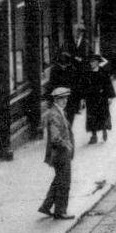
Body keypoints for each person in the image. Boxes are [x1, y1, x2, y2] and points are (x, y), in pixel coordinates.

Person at [38, 87, 76, 220]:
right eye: (62, 99)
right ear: (56, 100)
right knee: (64, 182)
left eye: (66, 98)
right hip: (60, 154)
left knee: (58, 180)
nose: (65, 101)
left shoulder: (59, 112)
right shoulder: (54, 114)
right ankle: (60, 211)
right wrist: (66, 144)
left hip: (61, 153)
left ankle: (46, 206)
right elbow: (55, 137)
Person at [82, 54, 115, 144]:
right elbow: (83, 86)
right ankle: (94, 135)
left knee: (102, 115)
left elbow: (108, 85)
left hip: (102, 98)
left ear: (97, 62)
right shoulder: (87, 73)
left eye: (93, 61)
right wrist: (83, 98)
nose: (91, 63)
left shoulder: (103, 72)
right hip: (91, 98)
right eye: (91, 62)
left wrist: (110, 97)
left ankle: (104, 130)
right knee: (91, 117)